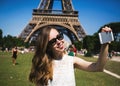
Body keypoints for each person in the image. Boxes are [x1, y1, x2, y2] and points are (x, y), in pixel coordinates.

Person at [29, 26, 112, 86]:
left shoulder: (71, 60)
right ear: (47, 46)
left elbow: (98, 67)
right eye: (53, 41)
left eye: (59, 37)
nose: (59, 41)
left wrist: (105, 43)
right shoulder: (43, 64)